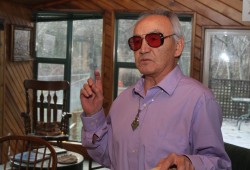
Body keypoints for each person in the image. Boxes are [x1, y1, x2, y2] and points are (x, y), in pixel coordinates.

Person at [80, 10, 231, 170]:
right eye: (137, 42)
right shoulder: (122, 101)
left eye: (153, 39)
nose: (143, 49)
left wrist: (190, 163)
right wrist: (94, 114)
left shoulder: (199, 100)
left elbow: (219, 164)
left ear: (178, 47)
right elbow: (108, 156)